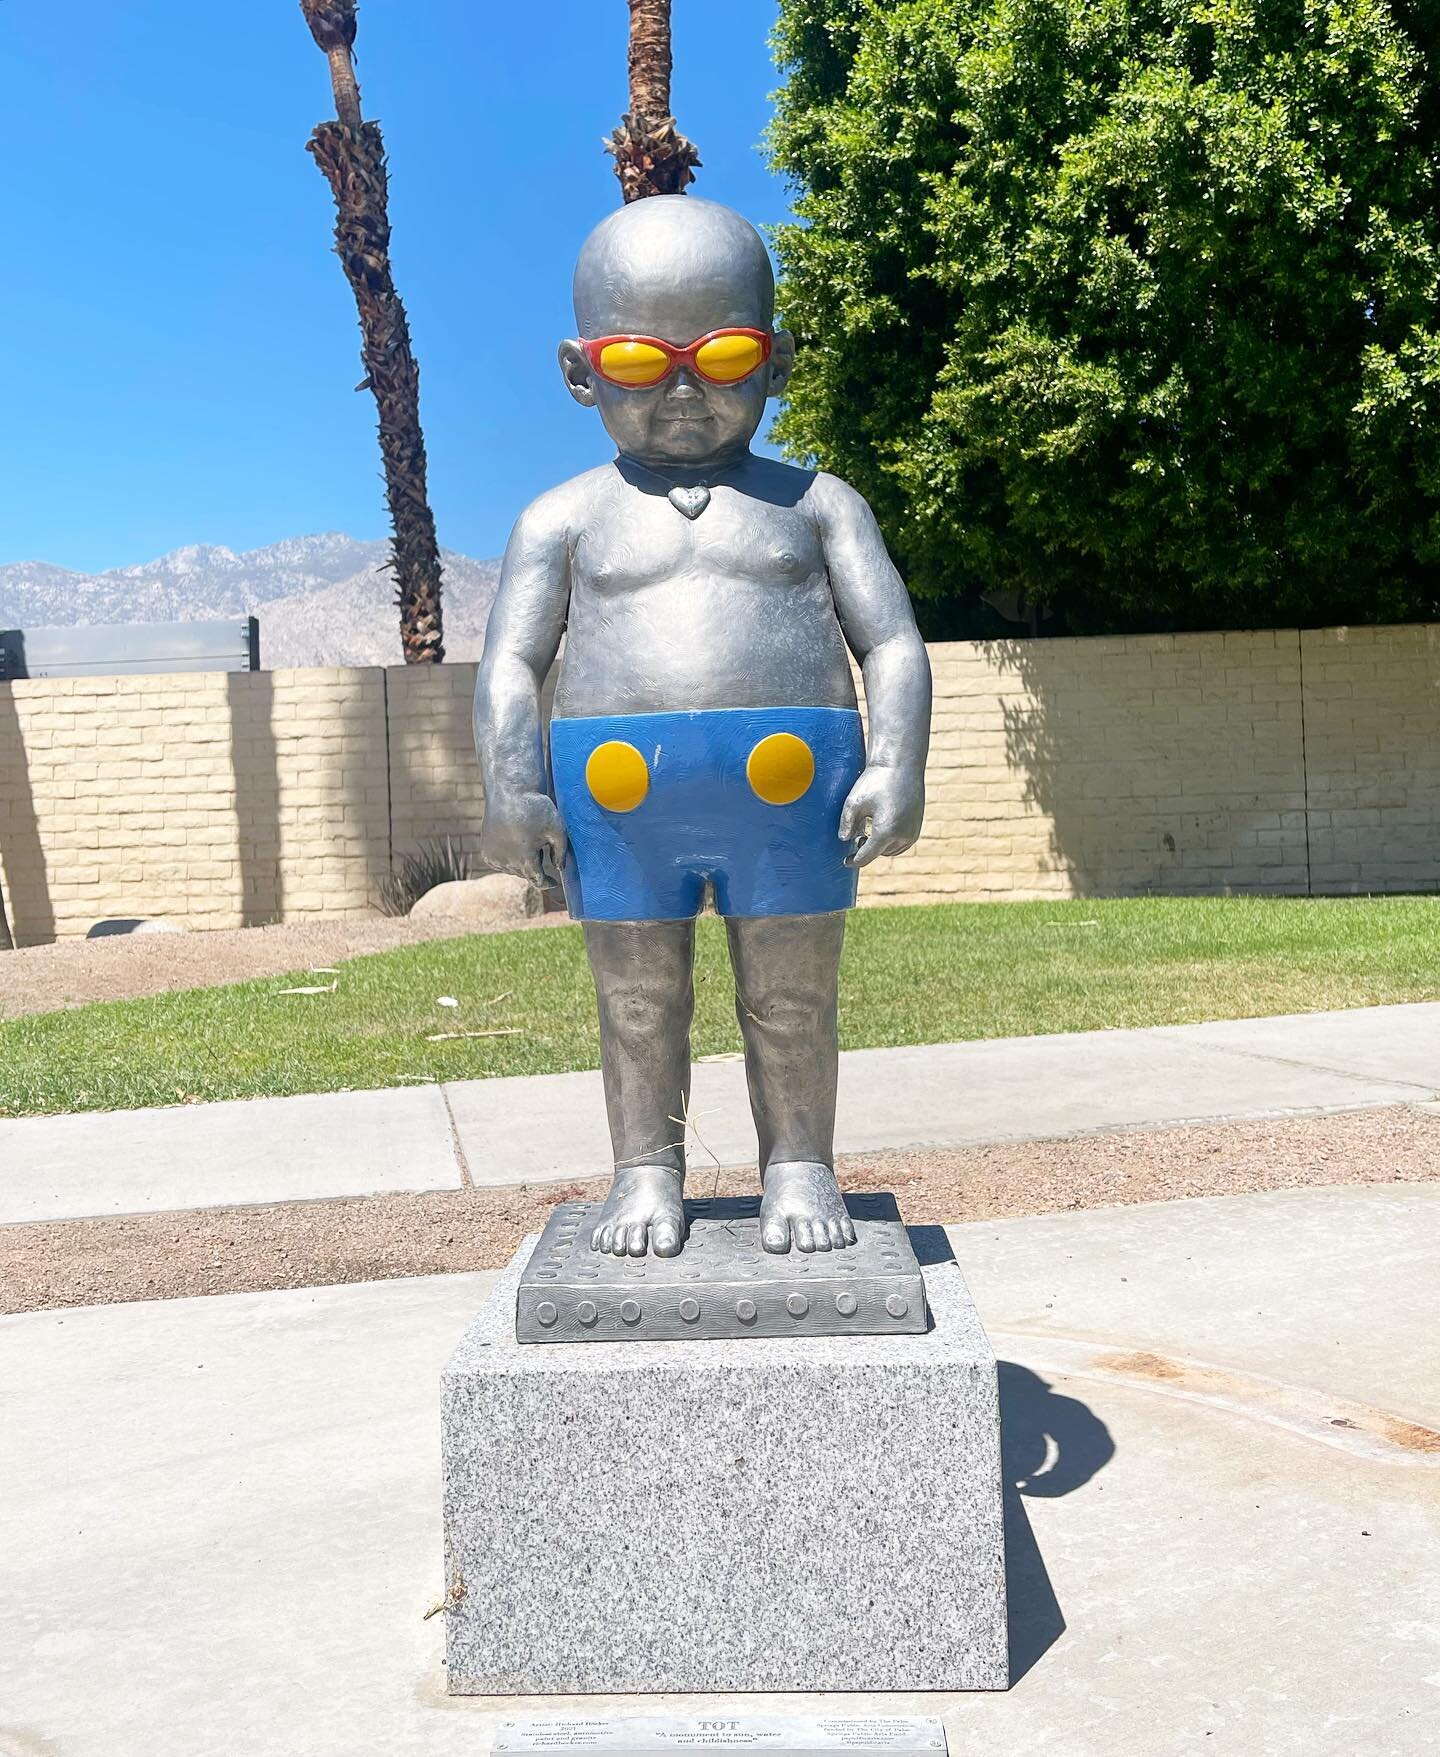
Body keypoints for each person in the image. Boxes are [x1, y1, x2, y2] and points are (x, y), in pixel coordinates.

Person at [475, 197, 931, 1258]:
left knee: (792, 991)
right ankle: (644, 1170)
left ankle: (800, 1162)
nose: (683, 390)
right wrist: (511, 784)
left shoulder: (819, 503)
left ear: (773, 363)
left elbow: (893, 643)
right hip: (619, 796)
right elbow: (512, 660)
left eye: (721, 355)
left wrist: (897, 762)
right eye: (639, 361)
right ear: (580, 371)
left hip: (794, 791)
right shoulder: (560, 516)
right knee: (637, 998)